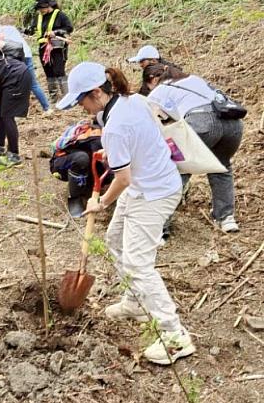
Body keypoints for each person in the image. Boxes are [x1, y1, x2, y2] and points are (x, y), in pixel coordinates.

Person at [58, 63, 194, 365]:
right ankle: (134, 302)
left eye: (82, 100)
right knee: (115, 239)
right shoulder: (128, 101)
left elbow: (122, 179)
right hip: (146, 183)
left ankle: (175, 336)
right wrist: (116, 152)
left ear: (97, 92)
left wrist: (101, 203)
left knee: (138, 263)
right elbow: (141, 137)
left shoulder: (117, 125)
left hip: (155, 192)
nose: (80, 106)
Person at [144, 63, 242, 233]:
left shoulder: (161, 89)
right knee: (221, 167)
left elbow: (151, 120)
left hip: (203, 122)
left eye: (148, 86)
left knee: (177, 169)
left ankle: (160, 227)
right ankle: (226, 219)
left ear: (153, 79)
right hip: (233, 125)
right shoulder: (193, 79)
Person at [0, 15, 50, 113]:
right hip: (27, 55)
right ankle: (47, 108)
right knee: (33, 84)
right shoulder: (11, 28)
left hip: (15, 57)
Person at [28, 0, 73, 103]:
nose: (40, 11)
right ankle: (54, 97)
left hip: (57, 46)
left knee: (59, 70)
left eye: (41, 8)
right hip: (43, 47)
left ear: (47, 6)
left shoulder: (59, 15)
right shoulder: (38, 17)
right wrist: (24, 31)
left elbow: (69, 28)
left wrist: (56, 32)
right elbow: (32, 30)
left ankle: (66, 97)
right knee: (48, 72)